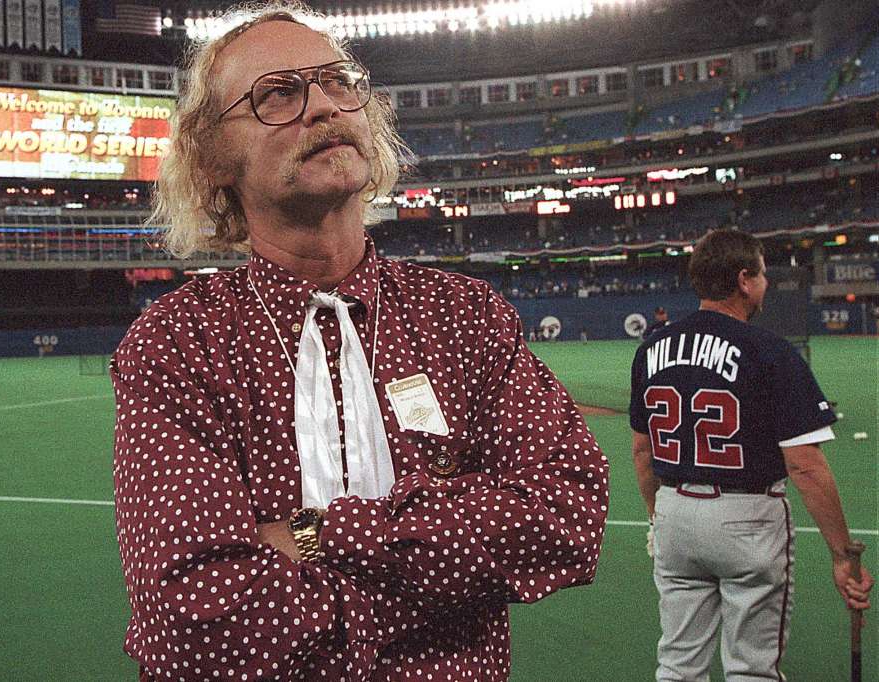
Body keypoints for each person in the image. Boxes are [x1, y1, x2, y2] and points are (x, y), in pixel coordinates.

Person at [111, 3, 609, 680]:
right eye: (278, 94)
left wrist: (318, 536)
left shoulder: (465, 317)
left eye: (337, 82)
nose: (322, 107)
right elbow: (194, 618)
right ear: (213, 160)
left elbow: (565, 517)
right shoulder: (177, 342)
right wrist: (445, 584)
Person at [629, 228, 873, 681]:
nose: (763, 283)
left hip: (674, 512)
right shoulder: (770, 351)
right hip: (748, 518)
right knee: (752, 669)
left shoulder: (652, 348)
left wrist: (654, 516)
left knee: (678, 666)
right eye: (760, 274)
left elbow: (642, 451)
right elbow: (806, 465)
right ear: (744, 280)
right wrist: (842, 556)